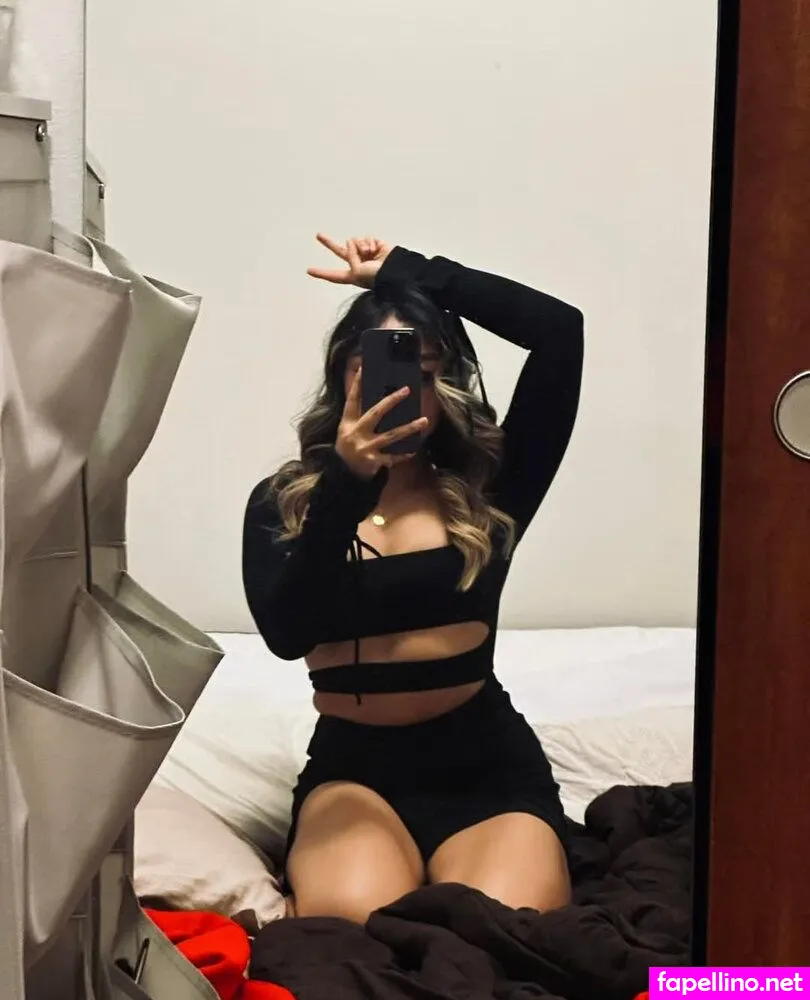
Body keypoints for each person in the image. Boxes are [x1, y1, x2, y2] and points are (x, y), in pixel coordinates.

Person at [242, 233, 584, 924]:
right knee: (355, 930)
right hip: (355, 776)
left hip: (487, 771)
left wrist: (407, 273)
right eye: (378, 373)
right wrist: (347, 482)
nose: (403, 393)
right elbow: (287, 634)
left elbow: (560, 332)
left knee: (498, 931)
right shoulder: (287, 501)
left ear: (447, 383)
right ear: (344, 378)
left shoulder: (489, 488)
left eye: (423, 373)